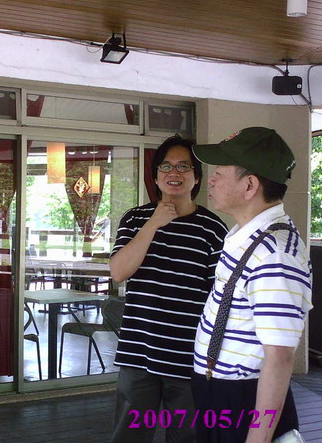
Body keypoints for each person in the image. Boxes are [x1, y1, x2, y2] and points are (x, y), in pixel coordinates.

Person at [191, 127, 312, 443]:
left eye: (219, 173)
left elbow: (279, 357)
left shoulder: (275, 254)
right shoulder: (247, 237)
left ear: (249, 185)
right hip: (220, 393)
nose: (211, 180)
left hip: (243, 399)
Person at [109, 135, 228, 443]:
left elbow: (220, 299)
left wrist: (214, 355)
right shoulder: (135, 219)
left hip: (189, 357)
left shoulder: (213, 228)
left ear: (196, 176)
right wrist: (154, 223)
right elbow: (119, 272)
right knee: (129, 436)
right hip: (138, 352)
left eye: (183, 166)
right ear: (155, 175)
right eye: (166, 166)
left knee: (187, 436)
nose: (174, 173)